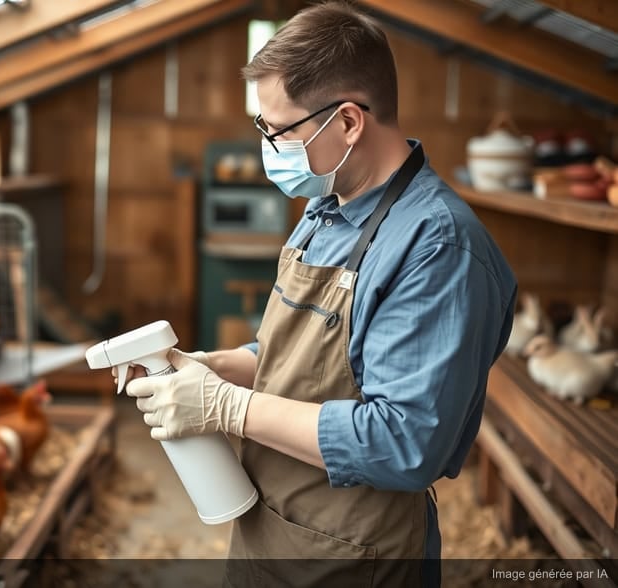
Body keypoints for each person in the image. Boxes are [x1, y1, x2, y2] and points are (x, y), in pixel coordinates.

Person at [121, 2, 518, 587]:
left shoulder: (437, 247)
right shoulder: (324, 210)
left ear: (350, 122)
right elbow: (292, 359)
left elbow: (405, 441)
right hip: (273, 531)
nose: (269, 147)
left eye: (278, 131)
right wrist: (213, 370)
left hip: (356, 556)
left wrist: (228, 409)